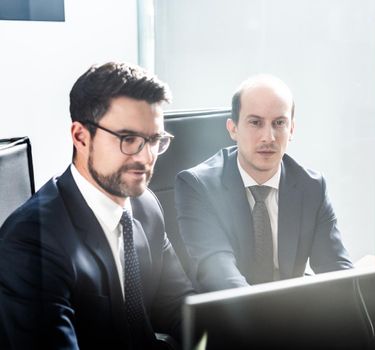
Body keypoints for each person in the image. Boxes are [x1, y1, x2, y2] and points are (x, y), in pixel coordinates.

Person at [0, 62, 194, 349]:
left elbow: (180, 306)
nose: (145, 157)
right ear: (81, 137)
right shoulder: (31, 241)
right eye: (128, 139)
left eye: (154, 140)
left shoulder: (145, 206)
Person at [174, 74, 352, 292]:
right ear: (233, 129)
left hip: (293, 314)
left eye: (279, 123)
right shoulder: (198, 186)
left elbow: (336, 268)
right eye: (255, 123)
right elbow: (219, 273)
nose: (269, 137)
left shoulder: (311, 187)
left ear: (292, 129)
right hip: (228, 318)